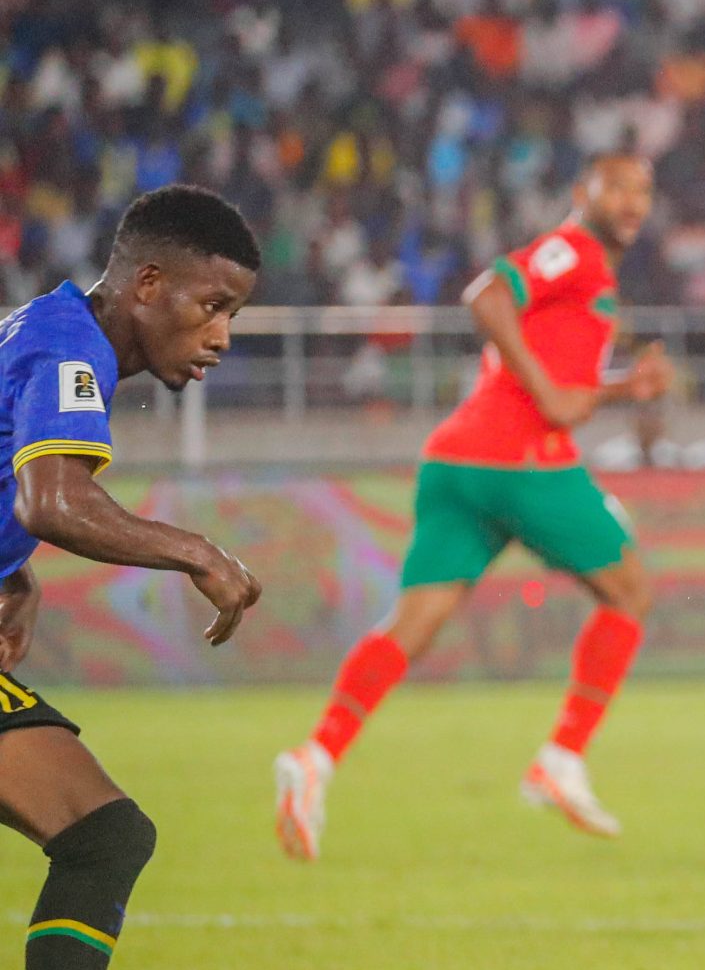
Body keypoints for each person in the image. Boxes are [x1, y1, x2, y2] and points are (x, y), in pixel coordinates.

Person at [272, 156, 671, 857]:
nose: (634, 201)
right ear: (582, 192)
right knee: (630, 589)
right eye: (618, 186)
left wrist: (618, 388)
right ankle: (561, 758)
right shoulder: (573, 248)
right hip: (519, 460)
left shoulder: (592, 275)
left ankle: (316, 757)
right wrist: (555, 395)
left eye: (643, 190)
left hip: (457, 459)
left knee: (414, 623)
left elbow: (558, 383)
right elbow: (487, 295)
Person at [0, 185, 263, 970]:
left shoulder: (45, 329)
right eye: (212, 304)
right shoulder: (69, 347)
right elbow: (55, 496)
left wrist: (11, 571)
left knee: (104, 834)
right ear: (147, 282)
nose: (223, 332)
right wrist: (195, 551)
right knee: (103, 834)